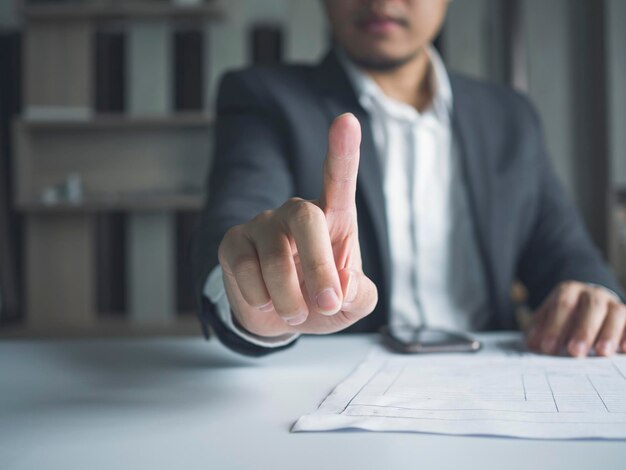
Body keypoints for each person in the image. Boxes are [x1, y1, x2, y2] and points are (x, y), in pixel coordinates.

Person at [191, 0, 626, 358]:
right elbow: (236, 223)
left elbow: (569, 254)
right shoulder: (262, 98)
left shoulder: (510, 116)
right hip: (335, 389)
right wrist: (250, 299)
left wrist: (596, 299)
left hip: (497, 379)